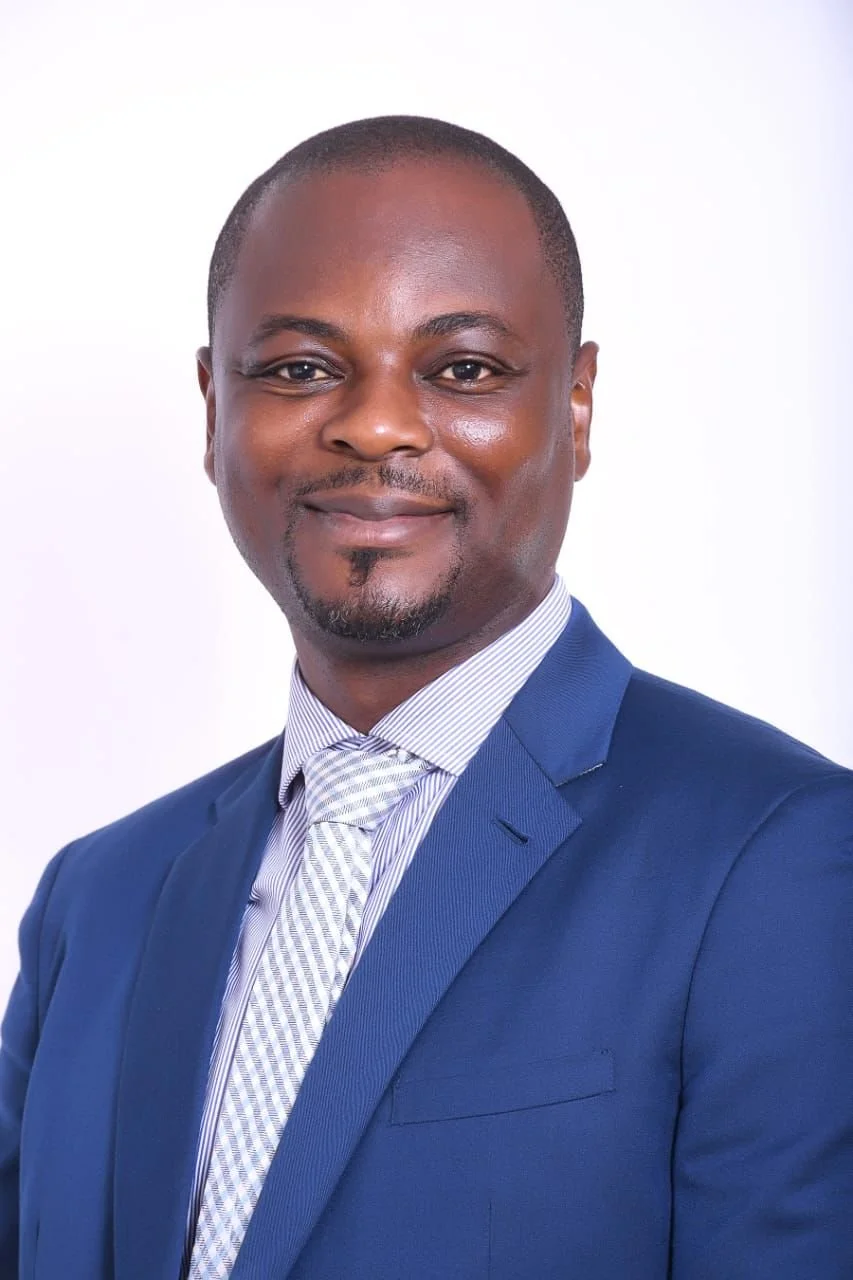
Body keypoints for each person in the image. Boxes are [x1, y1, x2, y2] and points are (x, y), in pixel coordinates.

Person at [1, 114, 851, 1280]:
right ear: (213, 408)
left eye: (463, 369)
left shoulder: (775, 858)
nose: (375, 424)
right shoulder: (97, 900)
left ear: (576, 406)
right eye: (300, 368)